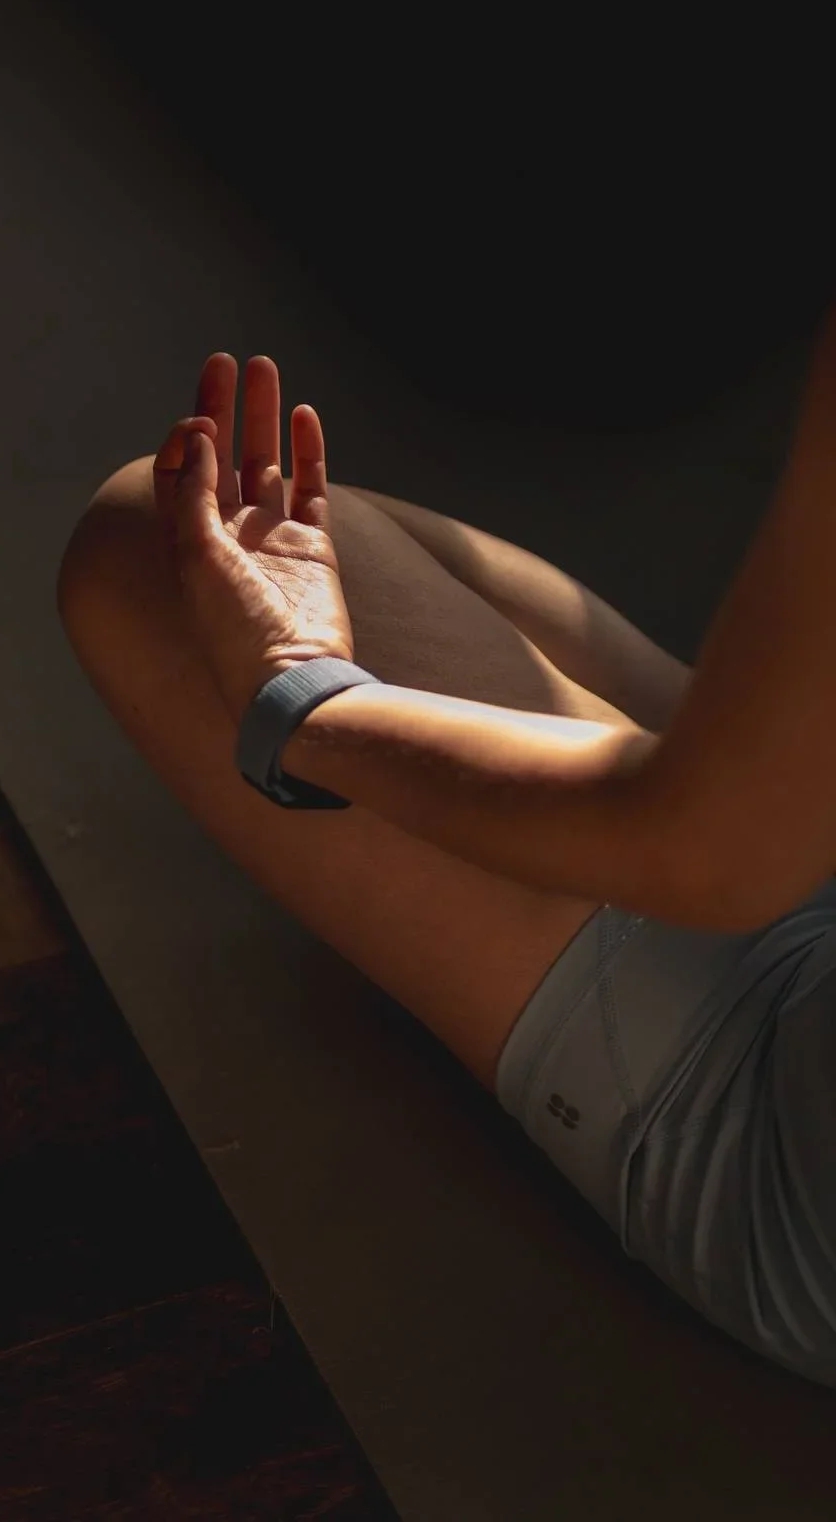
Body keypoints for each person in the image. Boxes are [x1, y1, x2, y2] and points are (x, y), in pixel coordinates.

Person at [57, 340, 836, 1388]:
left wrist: (313, 701)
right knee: (259, 523)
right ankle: (747, 756)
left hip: (761, 1115)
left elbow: (710, 859)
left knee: (147, 548)